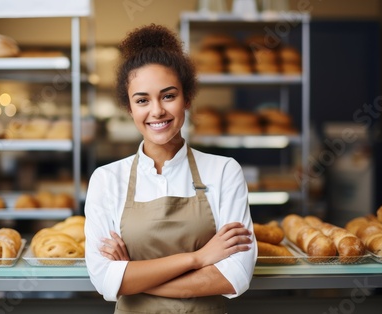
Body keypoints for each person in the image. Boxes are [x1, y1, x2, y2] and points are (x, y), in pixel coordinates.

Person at [84, 24, 257, 314]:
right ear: (129, 108)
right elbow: (104, 279)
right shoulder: (106, 180)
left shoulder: (225, 171)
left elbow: (235, 275)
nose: (156, 111)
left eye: (168, 96)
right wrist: (199, 258)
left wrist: (132, 276)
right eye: (142, 100)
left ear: (187, 98)